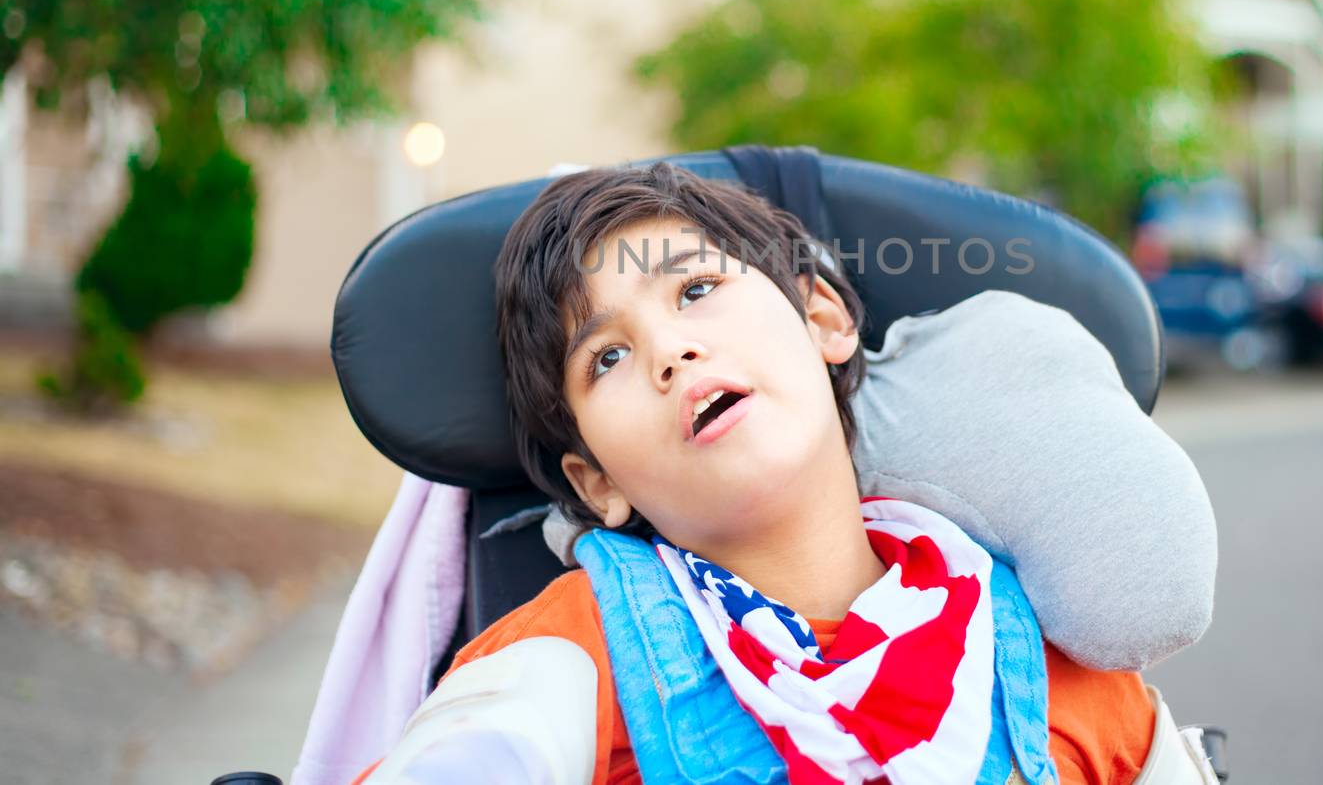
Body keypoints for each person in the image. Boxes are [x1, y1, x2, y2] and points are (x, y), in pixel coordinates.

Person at [354, 162, 1198, 785]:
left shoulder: (1051, 668)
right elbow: (482, 747)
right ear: (595, 483)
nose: (671, 350)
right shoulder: (570, 658)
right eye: (607, 355)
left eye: (695, 291)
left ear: (822, 316)